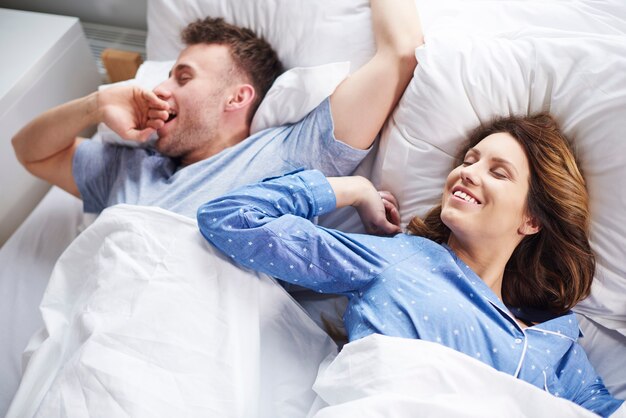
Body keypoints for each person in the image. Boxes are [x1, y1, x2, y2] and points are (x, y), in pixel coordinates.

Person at [198, 113, 625, 417]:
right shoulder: (399, 259)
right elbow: (230, 218)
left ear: (532, 219)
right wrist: (353, 189)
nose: (468, 172)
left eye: (499, 172)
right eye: (469, 160)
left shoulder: (559, 345)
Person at [11, 0, 423, 218]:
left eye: (183, 77)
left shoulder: (291, 155)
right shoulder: (134, 168)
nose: (160, 89)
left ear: (238, 97)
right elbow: (29, 151)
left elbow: (400, 54)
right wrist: (97, 103)